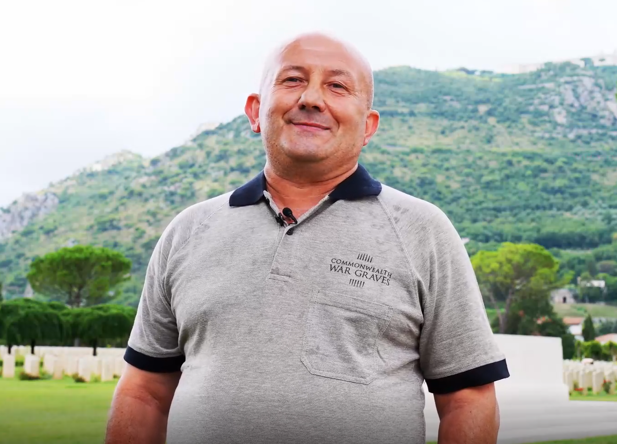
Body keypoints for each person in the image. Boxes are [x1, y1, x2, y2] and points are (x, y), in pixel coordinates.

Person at [105, 32, 509, 444]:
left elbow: (468, 397)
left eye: (337, 86)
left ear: (368, 125)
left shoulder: (422, 230)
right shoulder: (188, 231)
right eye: (293, 80)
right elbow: (146, 393)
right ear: (255, 111)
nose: (312, 99)